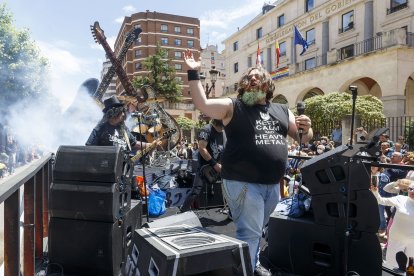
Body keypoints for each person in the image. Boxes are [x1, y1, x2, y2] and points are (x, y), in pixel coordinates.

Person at [183, 49, 313, 275]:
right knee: (250, 232)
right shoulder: (233, 106)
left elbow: (303, 138)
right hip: (242, 182)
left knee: (256, 229)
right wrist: (194, 74)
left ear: (267, 85)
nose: (253, 79)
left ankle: (250, 263)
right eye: (248, 77)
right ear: (243, 85)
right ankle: (247, 269)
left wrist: (308, 128)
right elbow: (202, 104)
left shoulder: (282, 110)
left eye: (258, 77)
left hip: (272, 184)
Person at [180, 119, 225, 212]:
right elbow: (202, 148)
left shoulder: (225, 132)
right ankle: (183, 210)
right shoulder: (206, 130)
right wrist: (214, 164)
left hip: (220, 165)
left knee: (229, 189)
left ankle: (232, 211)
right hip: (205, 167)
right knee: (196, 190)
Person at [86, 96, 158, 152]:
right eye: (121, 112)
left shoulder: (123, 128)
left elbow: (135, 144)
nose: (124, 114)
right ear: (113, 113)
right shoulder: (100, 128)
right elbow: (89, 148)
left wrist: (150, 145)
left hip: (123, 166)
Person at [370, 180, 414, 270]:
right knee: (392, 266)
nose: (412, 191)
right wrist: (375, 191)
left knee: (410, 268)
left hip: (412, 242)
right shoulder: (401, 199)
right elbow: (381, 200)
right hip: (396, 238)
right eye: (410, 189)